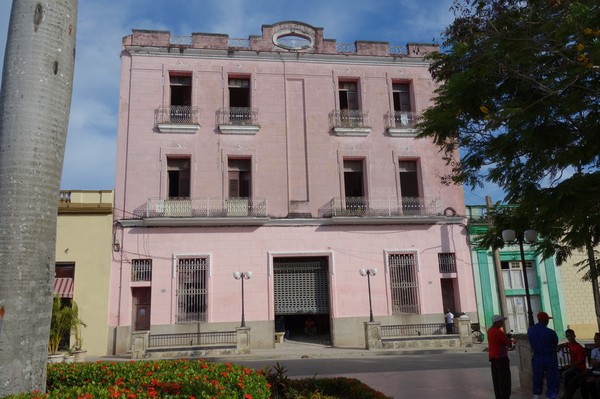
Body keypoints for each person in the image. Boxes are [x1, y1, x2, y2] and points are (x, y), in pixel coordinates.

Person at [527, 311, 559, 399]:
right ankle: (551, 397)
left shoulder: (531, 330)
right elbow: (555, 344)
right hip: (549, 357)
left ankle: (536, 397)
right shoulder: (551, 332)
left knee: (537, 378)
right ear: (546, 321)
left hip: (537, 358)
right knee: (552, 379)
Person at [488, 314, 514, 399]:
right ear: (497, 322)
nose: (503, 322)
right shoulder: (499, 332)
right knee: (504, 381)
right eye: (501, 321)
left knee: (496, 381)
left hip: (493, 359)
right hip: (501, 358)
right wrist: (512, 341)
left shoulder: (490, 331)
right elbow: (509, 344)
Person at [558, 328, 587, 399]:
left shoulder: (579, 348)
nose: (569, 338)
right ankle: (567, 393)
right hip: (573, 367)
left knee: (565, 374)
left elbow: (580, 361)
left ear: (574, 336)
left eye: (571, 336)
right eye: (568, 336)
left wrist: (568, 365)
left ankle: (566, 393)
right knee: (560, 371)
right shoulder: (569, 344)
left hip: (580, 368)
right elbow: (564, 344)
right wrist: (559, 346)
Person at [579, 332, 600, 399]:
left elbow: (595, 362)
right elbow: (592, 363)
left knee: (595, 383)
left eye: (596, 339)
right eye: (594, 339)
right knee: (582, 381)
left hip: (598, 373)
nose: (595, 341)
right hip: (595, 370)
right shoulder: (594, 350)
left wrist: (595, 378)